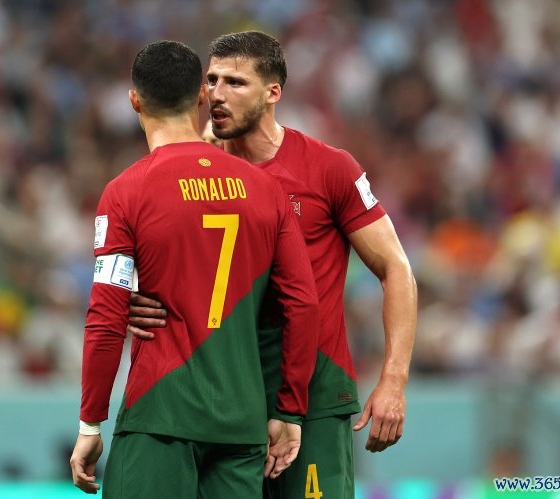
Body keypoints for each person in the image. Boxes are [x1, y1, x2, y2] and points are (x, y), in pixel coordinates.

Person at [128, 31, 418, 499]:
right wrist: (135, 299)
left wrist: (394, 379)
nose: (217, 94)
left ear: (272, 93)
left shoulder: (329, 169)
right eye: (212, 80)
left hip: (313, 397)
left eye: (235, 83)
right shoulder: (196, 174)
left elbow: (396, 268)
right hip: (224, 399)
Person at [69, 40, 321, 498]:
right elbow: (303, 304)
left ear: (134, 101)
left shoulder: (126, 192)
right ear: (203, 96)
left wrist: (91, 421)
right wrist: (290, 409)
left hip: (160, 414)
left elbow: (106, 317)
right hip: (242, 422)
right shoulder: (265, 190)